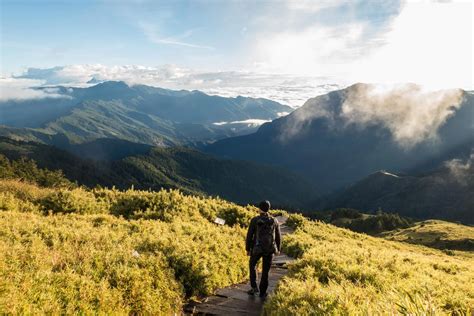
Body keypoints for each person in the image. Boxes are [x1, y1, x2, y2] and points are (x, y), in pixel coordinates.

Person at [245, 200, 281, 299]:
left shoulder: (255, 220)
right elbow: (278, 236)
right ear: (269, 208)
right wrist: (278, 248)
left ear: (259, 208)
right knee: (265, 271)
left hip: (257, 249)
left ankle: (254, 287)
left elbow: (249, 236)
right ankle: (263, 293)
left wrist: (248, 249)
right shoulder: (274, 220)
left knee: (252, 265)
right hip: (269, 249)